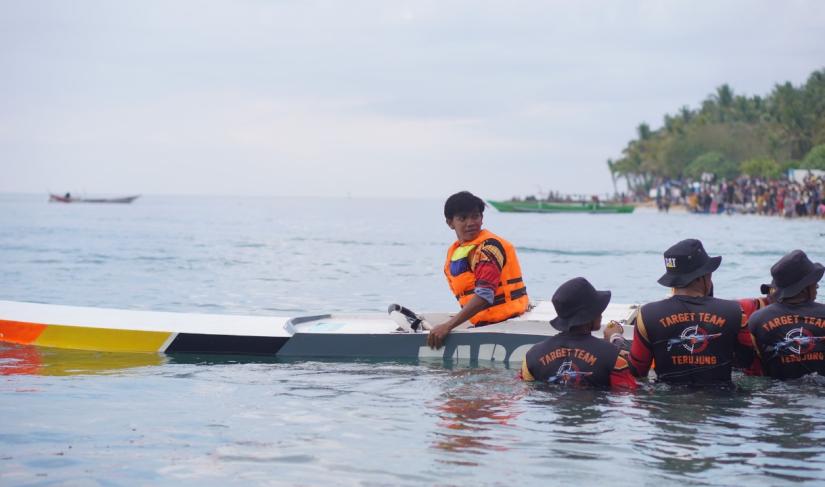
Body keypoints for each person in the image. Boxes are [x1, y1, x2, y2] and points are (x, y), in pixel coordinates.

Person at [628, 239, 749, 385]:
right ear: (703, 276)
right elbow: (747, 362)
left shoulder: (647, 315)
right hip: (720, 402)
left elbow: (637, 372)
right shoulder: (734, 311)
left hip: (667, 404)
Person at [427, 191, 529, 349]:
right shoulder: (456, 251)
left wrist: (447, 326)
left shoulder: (489, 248)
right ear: (450, 223)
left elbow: (484, 296)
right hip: (485, 323)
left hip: (505, 324)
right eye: (463, 218)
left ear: (482, 218)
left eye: (475, 216)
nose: (470, 223)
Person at [519, 277, 636, 390]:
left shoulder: (531, 357)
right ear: (588, 316)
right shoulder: (613, 358)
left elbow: (524, 390)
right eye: (598, 309)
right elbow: (628, 393)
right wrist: (616, 341)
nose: (601, 313)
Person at [747, 250, 825, 379]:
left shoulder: (758, 319)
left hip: (777, 393)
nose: (817, 286)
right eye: (814, 282)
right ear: (804, 287)